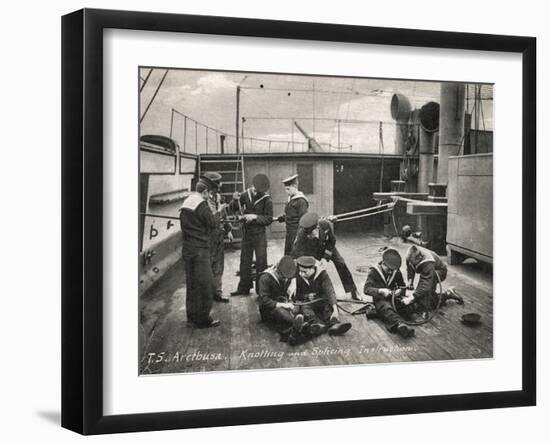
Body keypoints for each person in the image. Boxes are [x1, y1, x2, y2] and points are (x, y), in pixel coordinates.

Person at [179, 175, 221, 328]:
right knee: (206, 285)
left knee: (192, 284)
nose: (209, 195)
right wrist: (218, 211)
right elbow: (212, 223)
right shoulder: (201, 204)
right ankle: (203, 319)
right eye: (208, 193)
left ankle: (191, 317)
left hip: (188, 249)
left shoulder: (187, 202)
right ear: (204, 192)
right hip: (200, 250)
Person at [291, 212, 362, 301]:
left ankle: (353, 290)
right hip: (312, 252)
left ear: (316, 228)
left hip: (326, 247)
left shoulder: (325, 225)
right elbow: (297, 253)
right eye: (308, 235)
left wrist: (325, 257)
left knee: (340, 262)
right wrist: (313, 262)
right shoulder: (302, 234)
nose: (310, 236)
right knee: (310, 270)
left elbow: (332, 241)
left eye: (312, 234)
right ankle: (308, 293)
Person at [230, 174, 274, 296]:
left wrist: (255, 217)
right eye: (255, 189)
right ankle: (243, 288)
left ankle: (262, 291)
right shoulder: (245, 194)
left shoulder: (267, 199)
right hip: (247, 234)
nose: (256, 192)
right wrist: (234, 200)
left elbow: (269, 219)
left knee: (261, 262)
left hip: (260, 235)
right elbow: (233, 208)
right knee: (245, 261)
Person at [294, 256, 352, 338]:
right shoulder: (298, 275)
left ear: (312, 269)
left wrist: (335, 309)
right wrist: (306, 296)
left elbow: (330, 291)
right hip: (307, 302)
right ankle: (316, 324)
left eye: (305, 272)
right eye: (300, 271)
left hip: (321, 300)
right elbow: (296, 294)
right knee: (305, 308)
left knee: (328, 307)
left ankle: (334, 324)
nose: (302, 274)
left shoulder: (322, 274)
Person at [363, 248, 415, 338]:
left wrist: (400, 291)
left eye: (393, 270)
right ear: (383, 263)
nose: (391, 272)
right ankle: (400, 325)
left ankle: (378, 313)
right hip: (380, 300)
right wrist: (380, 291)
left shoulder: (395, 271)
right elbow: (366, 289)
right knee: (386, 308)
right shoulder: (374, 271)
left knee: (409, 305)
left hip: (393, 298)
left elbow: (401, 285)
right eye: (389, 269)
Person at [257, 256, 304, 343]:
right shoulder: (265, 278)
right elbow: (264, 301)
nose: (285, 279)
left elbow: (296, 273)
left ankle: (297, 326)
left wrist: (293, 283)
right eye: (283, 277)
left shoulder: (287, 270)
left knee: (299, 304)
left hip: (283, 301)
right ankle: (297, 327)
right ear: (277, 270)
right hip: (269, 309)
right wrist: (283, 304)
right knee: (280, 312)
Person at [406, 244, 463, 313]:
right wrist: (410, 281)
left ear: (420, 258)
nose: (412, 265)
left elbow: (424, 283)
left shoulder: (427, 262)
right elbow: (410, 267)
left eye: (414, 263)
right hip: (430, 271)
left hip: (439, 272)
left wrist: (413, 296)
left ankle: (448, 294)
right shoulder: (410, 255)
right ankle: (435, 296)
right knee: (422, 298)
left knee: (428, 304)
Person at [202, 172, 230, 303]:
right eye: (218, 183)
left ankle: (217, 292)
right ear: (213, 185)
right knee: (209, 264)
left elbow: (224, 215)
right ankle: (207, 293)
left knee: (219, 264)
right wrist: (219, 209)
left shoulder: (218, 197)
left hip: (219, 235)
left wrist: (228, 230)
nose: (221, 185)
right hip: (208, 236)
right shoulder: (204, 199)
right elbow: (211, 219)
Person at [277, 174, 309, 255]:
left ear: (295, 186)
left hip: (297, 233)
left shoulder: (301, 201)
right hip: (289, 233)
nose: (286, 191)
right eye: (285, 189)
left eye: (288, 189)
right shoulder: (290, 199)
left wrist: (299, 238)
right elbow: (291, 214)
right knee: (288, 255)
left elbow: (303, 221)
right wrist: (282, 218)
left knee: (295, 256)